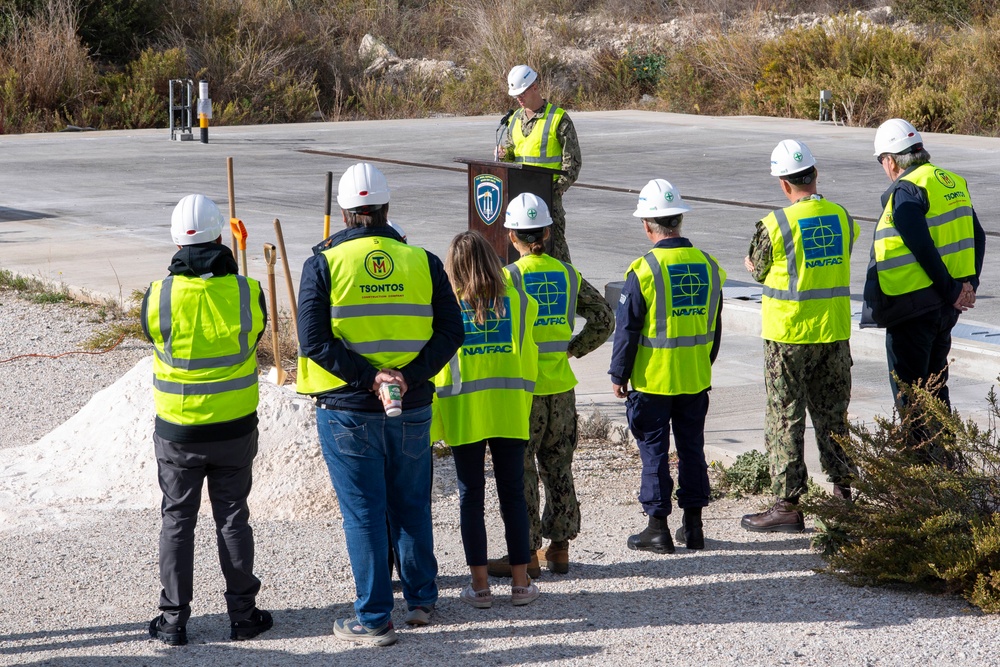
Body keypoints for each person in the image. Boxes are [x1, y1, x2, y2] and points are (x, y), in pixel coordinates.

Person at [296, 163, 464, 646]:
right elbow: (452, 331)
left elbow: (313, 340)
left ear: (346, 213)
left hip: (348, 408)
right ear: (387, 208)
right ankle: (422, 601)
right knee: (411, 504)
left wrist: (371, 379)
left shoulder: (324, 264)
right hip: (410, 407)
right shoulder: (423, 260)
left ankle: (373, 619)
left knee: (365, 513)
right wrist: (405, 378)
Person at [142, 194, 272, 646]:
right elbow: (256, 330)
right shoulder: (246, 291)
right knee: (233, 517)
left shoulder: (159, 296)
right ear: (221, 237)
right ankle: (243, 616)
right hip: (234, 427)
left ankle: (174, 621)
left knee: (177, 520)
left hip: (177, 430)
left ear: (176, 242)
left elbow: (153, 336)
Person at [485, 193, 614, 578]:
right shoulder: (567, 274)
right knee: (558, 467)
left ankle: (524, 555)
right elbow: (604, 318)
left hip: (523, 391)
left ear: (512, 236)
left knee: (521, 469)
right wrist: (573, 349)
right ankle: (559, 549)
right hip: (560, 388)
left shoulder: (508, 279)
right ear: (547, 232)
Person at [740, 140, 858, 533]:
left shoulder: (774, 225)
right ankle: (843, 497)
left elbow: (757, 270)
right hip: (833, 331)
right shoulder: (842, 215)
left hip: (788, 336)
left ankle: (787, 505)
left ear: (783, 183)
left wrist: (752, 262)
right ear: (815, 173)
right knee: (833, 417)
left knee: (785, 417)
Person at [609, 179, 725, 553]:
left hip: (654, 380)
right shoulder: (709, 266)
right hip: (695, 376)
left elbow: (626, 330)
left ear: (647, 224)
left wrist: (618, 374)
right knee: (692, 449)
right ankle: (694, 528)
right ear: (680, 220)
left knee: (655, 452)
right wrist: (702, 363)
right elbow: (714, 326)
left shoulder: (644, 270)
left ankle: (657, 528)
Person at [432, 230, 541, 608]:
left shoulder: (445, 309)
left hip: (465, 411)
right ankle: (521, 584)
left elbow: (438, 368)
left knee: (470, 497)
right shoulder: (523, 303)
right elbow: (529, 358)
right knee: (513, 494)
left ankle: (479, 588)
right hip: (510, 408)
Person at [863, 118, 985, 414]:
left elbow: (921, 245)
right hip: (945, 309)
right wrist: (968, 286)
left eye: (881, 161)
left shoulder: (907, 189)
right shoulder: (951, 181)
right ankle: (944, 456)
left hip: (913, 308)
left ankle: (917, 457)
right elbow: (977, 235)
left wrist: (952, 289)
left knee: (912, 398)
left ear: (890, 160)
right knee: (936, 389)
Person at [496, 64, 582, 263]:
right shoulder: (514, 119)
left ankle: (574, 293)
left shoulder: (558, 119)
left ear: (534, 86)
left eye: (522, 92)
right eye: (515, 94)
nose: (518, 98)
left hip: (548, 201)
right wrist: (503, 155)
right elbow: (512, 155)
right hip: (518, 201)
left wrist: (553, 191)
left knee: (557, 257)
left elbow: (573, 165)